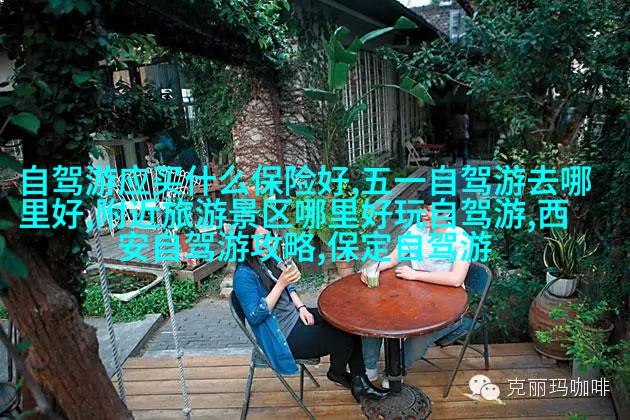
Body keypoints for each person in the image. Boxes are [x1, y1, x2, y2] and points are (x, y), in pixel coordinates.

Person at [232, 222, 390, 402]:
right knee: (344, 338)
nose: (268, 241)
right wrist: (281, 284)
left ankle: (357, 381)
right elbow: (255, 315)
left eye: (269, 236)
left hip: (295, 317)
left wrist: (301, 307)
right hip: (282, 336)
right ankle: (343, 376)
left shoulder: (268, 256)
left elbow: (289, 286)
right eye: (261, 238)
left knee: (347, 321)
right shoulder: (243, 276)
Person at [361, 191, 471, 387]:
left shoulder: (460, 239)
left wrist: (415, 275)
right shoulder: (416, 231)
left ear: (446, 213)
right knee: (373, 315)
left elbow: (456, 279)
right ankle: (369, 368)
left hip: (448, 308)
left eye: (429, 210)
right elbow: (393, 258)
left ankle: (396, 372)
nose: (423, 214)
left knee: (421, 335)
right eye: (423, 208)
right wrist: (373, 267)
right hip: (415, 300)